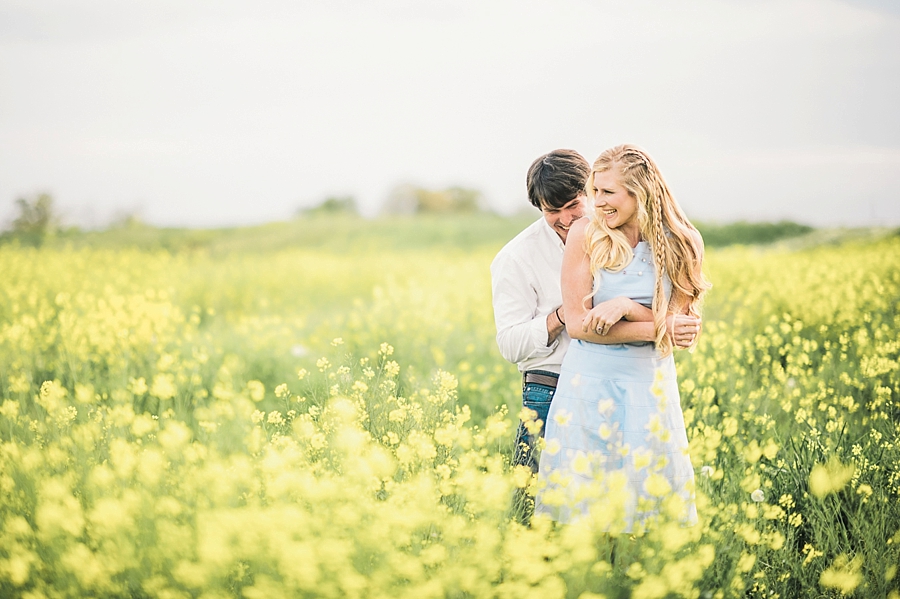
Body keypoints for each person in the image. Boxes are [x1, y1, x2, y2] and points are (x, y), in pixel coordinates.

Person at [535, 144, 710, 531]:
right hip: (589, 385)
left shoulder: (683, 241)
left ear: (640, 192)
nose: (596, 202)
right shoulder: (585, 233)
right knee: (585, 515)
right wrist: (659, 325)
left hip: (648, 387)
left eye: (607, 193)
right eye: (594, 191)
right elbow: (580, 325)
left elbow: (678, 330)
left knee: (648, 510)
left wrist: (626, 307)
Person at [490, 149, 590, 520]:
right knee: (530, 510)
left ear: (591, 192)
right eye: (552, 211)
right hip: (549, 387)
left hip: (609, 383)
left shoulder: (616, 237)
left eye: (573, 205)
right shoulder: (516, 258)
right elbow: (510, 343)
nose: (565, 219)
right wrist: (563, 315)